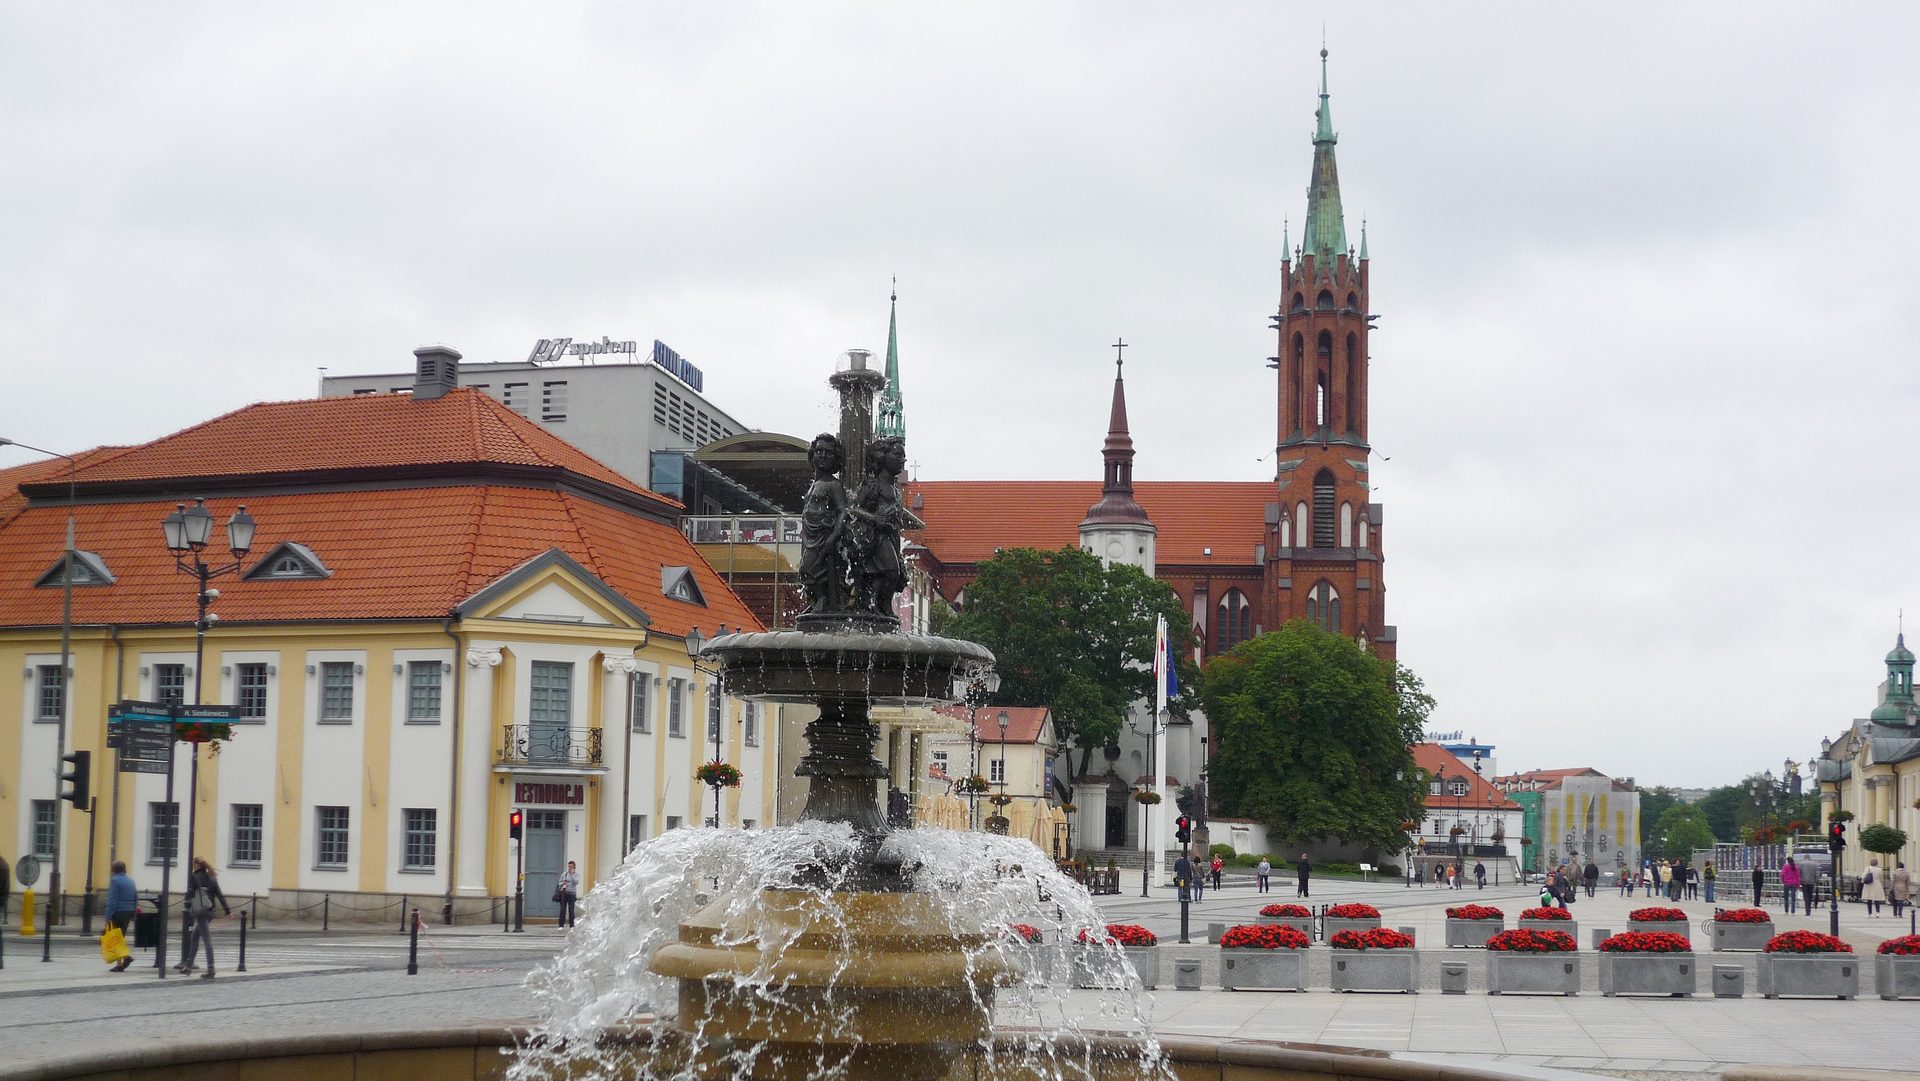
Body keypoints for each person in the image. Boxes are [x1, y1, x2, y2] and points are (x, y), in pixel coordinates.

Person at [176, 857, 230, 978]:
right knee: (195, 936)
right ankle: (188, 966)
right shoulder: (212, 877)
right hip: (210, 911)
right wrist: (227, 911)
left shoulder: (195, 876)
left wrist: (188, 902)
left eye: (193, 864)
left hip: (201, 911)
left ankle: (211, 969)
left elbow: (190, 893)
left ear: (197, 865)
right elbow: (220, 895)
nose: (193, 866)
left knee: (207, 941)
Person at [105, 861, 138, 972]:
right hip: (128, 912)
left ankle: (124, 959)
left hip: (118, 911)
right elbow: (135, 897)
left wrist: (108, 915)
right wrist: (133, 913)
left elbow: (112, 899)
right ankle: (121, 961)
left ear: (114, 870)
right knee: (120, 937)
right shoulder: (131, 881)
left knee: (116, 937)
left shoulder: (114, 881)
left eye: (111, 869)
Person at [556, 860, 580, 928]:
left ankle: (571, 925)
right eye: (569, 866)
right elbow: (559, 882)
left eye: (571, 867)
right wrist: (563, 883)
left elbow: (576, 882)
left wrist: (572, 875)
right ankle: (561, 925)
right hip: (564, 893)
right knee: (562, 909)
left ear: (574, 867)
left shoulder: (576, 874)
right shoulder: (564, 874)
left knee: (571, 910)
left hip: (572, 894)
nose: (570, 868)